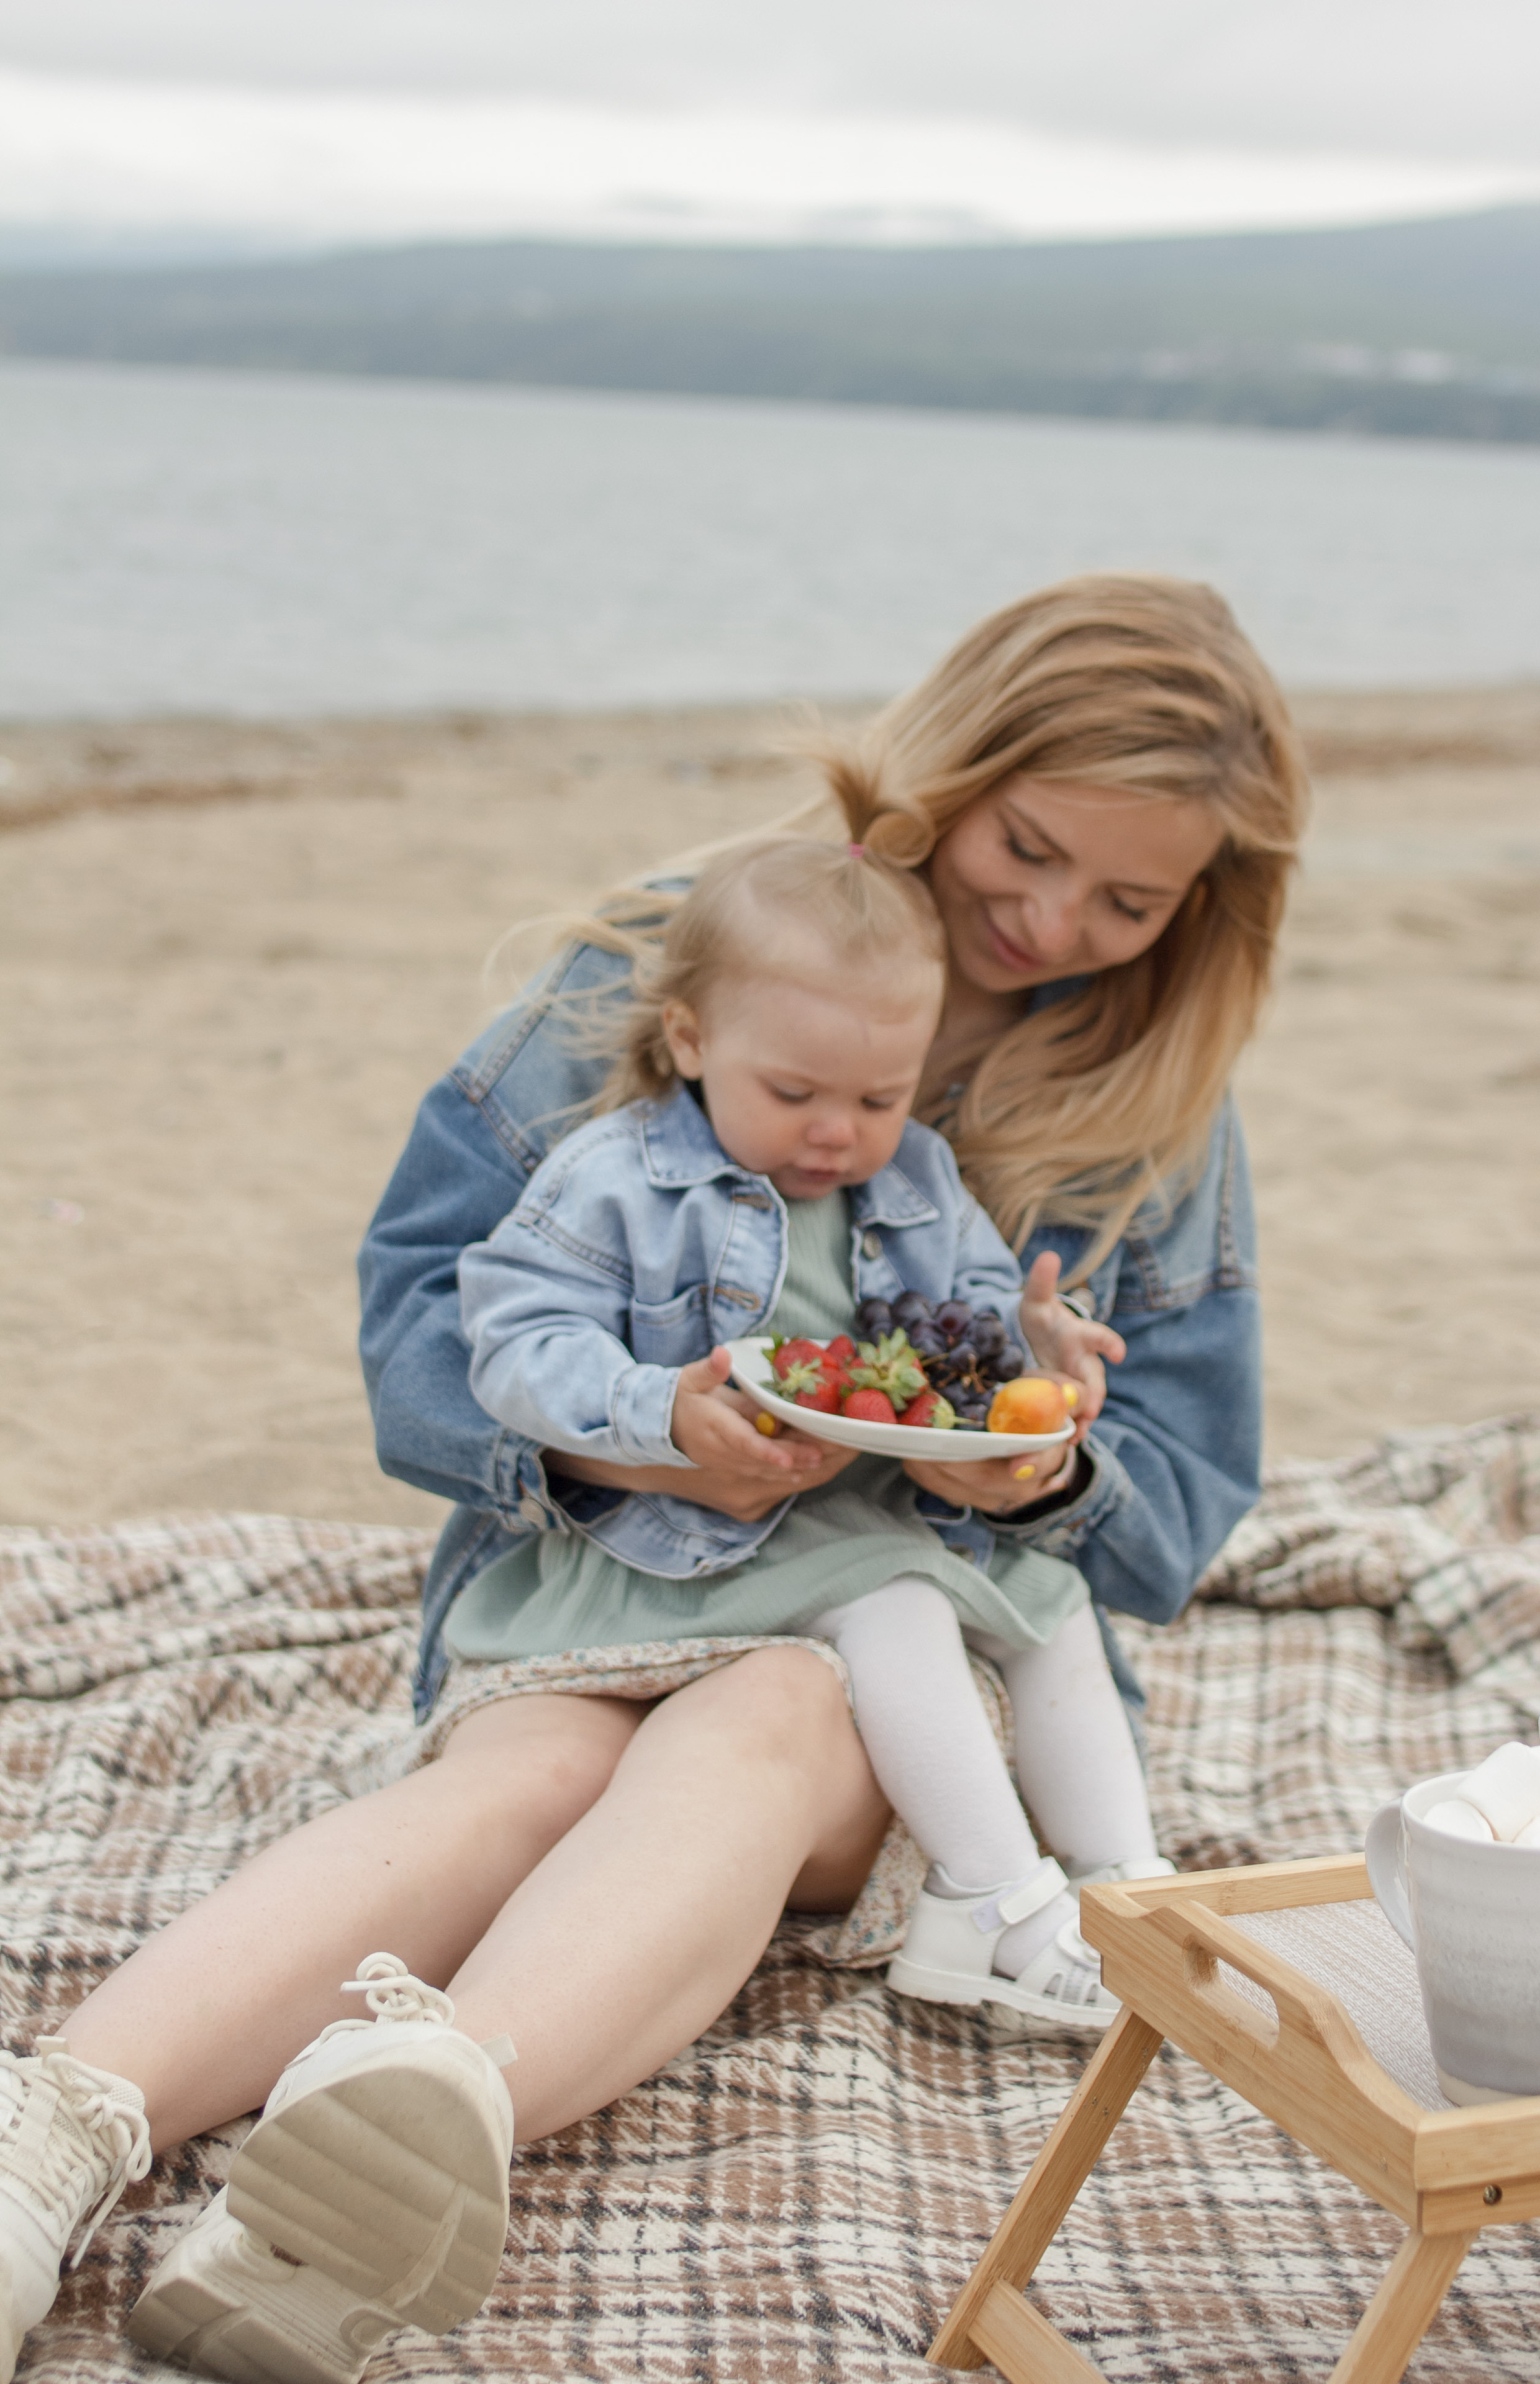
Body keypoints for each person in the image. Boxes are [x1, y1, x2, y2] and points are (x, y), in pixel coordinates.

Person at [0, 575, 1307, 2384]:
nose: (1050, 918)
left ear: (1198, 911)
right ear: (951, 774)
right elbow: (420, 1326)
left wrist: (1035, 1478)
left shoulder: (1162, 1105)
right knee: (533, 1770)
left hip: (916, 1665)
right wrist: (634, 1436)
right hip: (604, 1583)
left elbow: (1176, 1501)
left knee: (780, 1700)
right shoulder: (668, 959)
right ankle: (56, 2133)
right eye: (1026, 847)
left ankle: (416, 2132)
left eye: (1128, 899)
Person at [452, 832, 1166, 2035]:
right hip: (686, 1545)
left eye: (878, 1099)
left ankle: (1129, 1896)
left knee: (1052, 1605)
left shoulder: (921, 1180)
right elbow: (510, 1339)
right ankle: (984, 1904)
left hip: (861, 1520)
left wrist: (1041, 1358)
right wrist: (655, 1409)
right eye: (793, 1094)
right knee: (898, 1601)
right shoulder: (614, 1179)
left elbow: (972, 1332)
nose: (837, 1132)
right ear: (689, 1041)